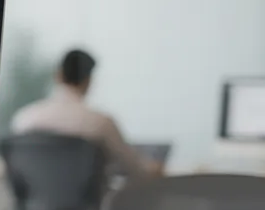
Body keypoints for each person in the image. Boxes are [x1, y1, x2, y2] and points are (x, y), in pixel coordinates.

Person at [11, 49, 162, 179]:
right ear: (88, 81)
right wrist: (153, 168)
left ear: (58, 75)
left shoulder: (24, 119)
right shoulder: (100, 123)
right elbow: (135, 169)